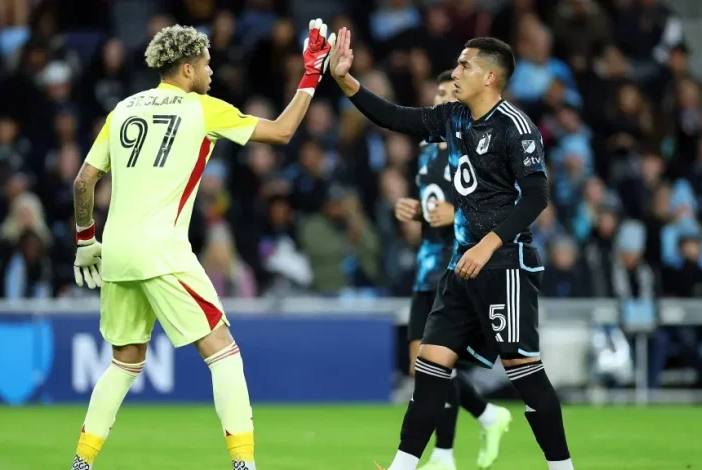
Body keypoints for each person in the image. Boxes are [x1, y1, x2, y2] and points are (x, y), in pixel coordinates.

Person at [69, 20, 334, 470]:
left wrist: (84, 240)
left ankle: (81, 462)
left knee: (125, 362)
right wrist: (311, 75)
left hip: (115, 249)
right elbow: (283, 132)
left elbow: (83, 181)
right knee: (223, 351)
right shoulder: (202, 108)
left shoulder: (123, 109)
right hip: (162, 249)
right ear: (188, 68)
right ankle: (244, 465)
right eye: (207, 64)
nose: (212, 72)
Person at [328, 29, 573, 470]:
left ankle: (562, 467)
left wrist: (489, 244)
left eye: (465, 66)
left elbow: (537, 197)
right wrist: (348, 82)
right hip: (462, 264)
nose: (456, 72)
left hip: (504, 263)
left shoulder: (515, 128)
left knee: (523, 368)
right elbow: (398, 118)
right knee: (430, 365)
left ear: (491, 77)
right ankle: (404, 465)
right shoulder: (455, 118)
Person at [394, 69, 512, 470]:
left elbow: (498, 201)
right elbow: (433, 208)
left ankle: (444, 453)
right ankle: (486, 416)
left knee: (432, 364)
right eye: (437, 93)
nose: (442, 100)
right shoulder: (428, 153)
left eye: (449, 93)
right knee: (421, 365)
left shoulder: (473, 147)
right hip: (427, 267)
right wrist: (414, 211)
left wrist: (456, 211)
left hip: (458, 267)